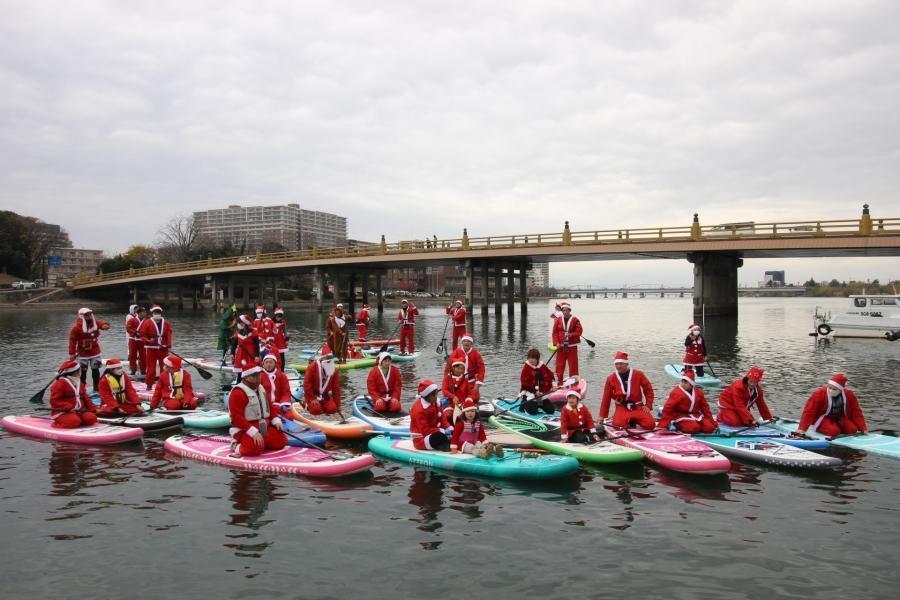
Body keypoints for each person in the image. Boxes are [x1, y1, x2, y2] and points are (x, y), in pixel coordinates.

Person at [227, 365, 288, 457]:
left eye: (258, 375)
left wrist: (275, 420)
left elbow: (269, 407)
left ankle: (262, 443)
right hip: (244, 430)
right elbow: (236, 418)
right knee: (254, 448)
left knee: (280, 441)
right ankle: (236, 445)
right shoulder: (238, 392)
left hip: (263, 428)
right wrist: (252, 431)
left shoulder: (260, 388)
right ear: (245, 377)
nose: (258, 378)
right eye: (254, 376)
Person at [795, 374, 868, 437]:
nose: (831, 390)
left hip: (839, 417)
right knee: (833, 432)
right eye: (829, 388)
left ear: (841, 389)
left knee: (852, 430)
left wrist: (863, 428)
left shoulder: (849, 395)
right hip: (823, 417)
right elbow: (809, 411)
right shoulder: (819, 394)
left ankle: (838, 427)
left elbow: (856, 411)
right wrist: (802, 429)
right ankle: (826, 428)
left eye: (834, 389)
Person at [599, 351, 656, 429]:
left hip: (638, 406)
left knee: (650, 425)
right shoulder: (610, 378)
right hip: (622, 407)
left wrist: (648, 405)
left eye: (621, 364)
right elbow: (606, 397)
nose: (618, 366)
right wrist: (602, 416)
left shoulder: (639, 374)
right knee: (618, 425)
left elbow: (648, 390)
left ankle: (634, 420)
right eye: (616, 364)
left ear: (626, 364)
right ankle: (627, 420)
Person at [67, 307, 111, 388]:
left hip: (95, 352)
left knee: (95, 370)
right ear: (81, 316)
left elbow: (102, 323)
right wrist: (71, 353)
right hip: (82, 353)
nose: (89, 316)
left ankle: (96, 387)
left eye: (89, 314)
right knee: (83, 372)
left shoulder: (95, 323)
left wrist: (105, 325)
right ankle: (82, 388)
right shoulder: (76, 328)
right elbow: (72, 341)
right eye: (86, 314)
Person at [49, 360, 97, 428]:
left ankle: (77, 420)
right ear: (75, 372)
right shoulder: (60, 383)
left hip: (78, 411)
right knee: (74, 421)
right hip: (63, 412)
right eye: (79, 370)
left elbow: (85, 397)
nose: (80, 372)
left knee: (91, 418)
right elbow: (54, 401)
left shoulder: (79, 382)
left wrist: (93, 408)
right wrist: (68, 407)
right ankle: (56, 424)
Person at [138, 305, 173, 389]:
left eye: (158, 312)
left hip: (163, 348)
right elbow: (142, 334)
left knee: (164, 367)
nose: (157, 314)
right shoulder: (147, 322)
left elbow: (169, 334)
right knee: (151, 367)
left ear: (161, 313)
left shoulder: (166, 323)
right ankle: (149, 384)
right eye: (155, 312)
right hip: (151, 348)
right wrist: (148, 340)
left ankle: (164, 384)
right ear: (152, 313)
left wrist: (169, 345)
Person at [410, 380, 450, 451]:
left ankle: (449, 442)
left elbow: (442, 418)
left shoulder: (436, 402)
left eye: (436, 394)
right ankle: (445, 445)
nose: (435, 397)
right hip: (421, 438)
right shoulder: (419, 409)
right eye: (433, 395)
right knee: (439, 436)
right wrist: (442, 431)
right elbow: (425, 431)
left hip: (435, 431)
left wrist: (448, 427)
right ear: (426, 395)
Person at [446, 333, 486, 401]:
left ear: (471, 343)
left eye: (468, 341)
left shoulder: (476, 354)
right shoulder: (456, 352)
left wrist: (477, 384)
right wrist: (449, 380)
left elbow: (481, 369)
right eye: (464, 341)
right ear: (462, 342)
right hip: (459, 381)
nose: (466, 343)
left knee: (474, 398)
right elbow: (448, 367)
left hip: (471, 381)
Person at [551, 302, 583, 383]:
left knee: (573, 365)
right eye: (563, 310)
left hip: (572, 346)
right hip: (561, 346)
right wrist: (556, 343)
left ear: (569, 310)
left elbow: (579, 331)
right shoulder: (558, 320)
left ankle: (574, 381)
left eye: (566, 310)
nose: (565, 312)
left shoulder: (575, 320)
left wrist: (571, 334)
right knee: (559, 365)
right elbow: (554, 333)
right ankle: (559, 381)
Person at [519, 348, 556, 415]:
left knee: (551, 410)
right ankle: (523, 404)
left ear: (537, 359)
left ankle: (538, 405)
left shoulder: (542, 366)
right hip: (530, 394)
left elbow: (550, 375)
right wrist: (535, 392)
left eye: (533, 358)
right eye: (529, 358)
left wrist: (553, 386)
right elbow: (524, 383)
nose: (531, 360)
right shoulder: (526, 368)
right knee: (533, 412)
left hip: (541, 395)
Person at [441, 360, 473, 427]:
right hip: (450, 403)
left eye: (462, 369)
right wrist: (453, 397)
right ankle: (450, 429)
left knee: (467, 414)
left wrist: (468, 400)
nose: (460, 371)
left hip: (462, 402)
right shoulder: (447, 378)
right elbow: (444, 391)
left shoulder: (464, 380)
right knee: (447, 415)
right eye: (458, 368)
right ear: (453, 368)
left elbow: (469, 393)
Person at [231, 314, 260, 382]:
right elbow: (234, 344)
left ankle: (251, 384)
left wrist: (257, 355)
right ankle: (239, 386)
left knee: (250, 372)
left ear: (245, 323)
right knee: (240, 373)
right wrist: (232, 353)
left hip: (250, 354)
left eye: (240, 322)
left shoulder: (253, 332)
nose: (239, 324)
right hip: (240, 354)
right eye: (239, 323)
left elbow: (256, 345)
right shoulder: (238, 332)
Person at [125, 304, 146, 376]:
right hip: (133, 339)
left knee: (143, 355)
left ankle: (143, 370)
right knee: (132, 355)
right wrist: (135, 333)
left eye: (144, 312)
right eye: (143, 312)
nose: (144, 313)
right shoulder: (132, 320)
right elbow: (128, 328)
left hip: (142, 340)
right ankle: (133, 370)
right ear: (139, 313)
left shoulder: (147, 321)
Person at [272, 306, 289, 372]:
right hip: (273, 341)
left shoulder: (283, 322)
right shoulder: (271, 321)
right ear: (275, 315)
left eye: (280, 315)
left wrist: (286, 340)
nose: (279, 317)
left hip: (281, 342)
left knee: (282, 358)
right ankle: (273, 369)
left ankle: (282, 371)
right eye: (278, 315)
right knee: (273, 356)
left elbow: (285, 331)